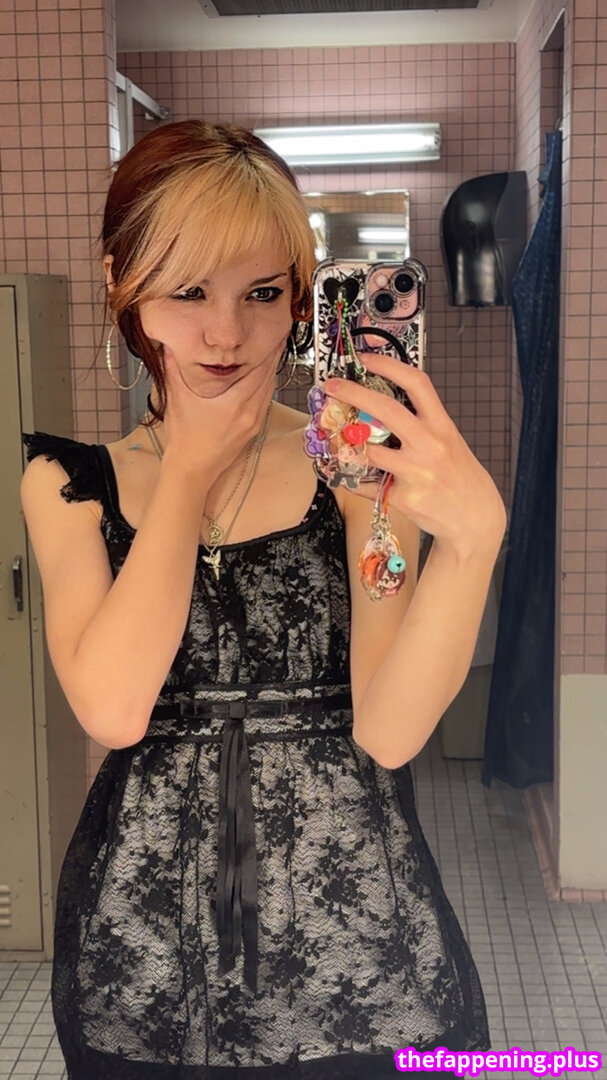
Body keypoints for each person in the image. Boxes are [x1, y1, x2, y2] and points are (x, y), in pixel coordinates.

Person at [20, 120, 506, 1079]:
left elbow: (391, 732)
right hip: (145, 945)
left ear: (302, 298)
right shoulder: (68, 483)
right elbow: (113, 711)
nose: (225, 333)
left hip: (355, 941)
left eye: (261, 292)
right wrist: (188, 469)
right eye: (187, 289)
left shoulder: (354, 468)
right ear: (124, 283)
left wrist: (472, 543)